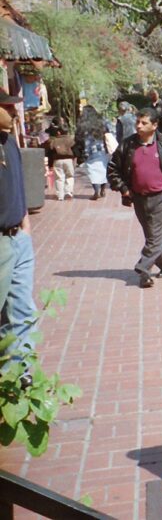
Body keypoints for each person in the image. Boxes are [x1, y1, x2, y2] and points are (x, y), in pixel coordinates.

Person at [107, 108, 162, 288]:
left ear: (155, 125)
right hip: (139, 197)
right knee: (152, 235)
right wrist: (123, 188)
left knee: (155, 236)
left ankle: (143, 269)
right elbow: (113, 169)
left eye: (144, 123)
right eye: (137, 123)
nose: (138, 126)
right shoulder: (127, 145)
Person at [0, 89, 36, 388]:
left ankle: (19, 371)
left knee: (23, 309)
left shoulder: (9, 140)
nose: (13, 112)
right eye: (6, 107)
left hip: (18, 238)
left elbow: (18, 182)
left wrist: (24, 222)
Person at [74, 105, 111, 200]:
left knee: (93, 171)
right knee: (103, 170)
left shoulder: (82, 124)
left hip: (89, 151)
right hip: (102, 149)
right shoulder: (101, 121)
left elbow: (78, 138)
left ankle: (96, 191)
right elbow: (108, 131)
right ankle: (103, 189)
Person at [44, 119, 76, 201]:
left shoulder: (54, 141)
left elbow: (50, 151)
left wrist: (50, 164)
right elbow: (75, 150)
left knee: (59, 178)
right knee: (70, 176)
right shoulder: (70, 140)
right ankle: (68, 191)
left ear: (58, 132)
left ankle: (60, 195)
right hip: (69, 160)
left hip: (57, 161)